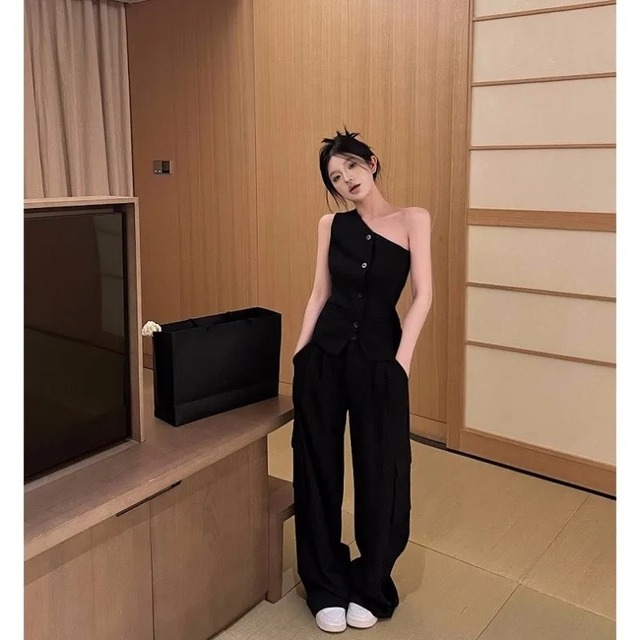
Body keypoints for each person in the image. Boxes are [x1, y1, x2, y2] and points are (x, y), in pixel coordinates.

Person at [291, 128, 433, 633]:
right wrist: (300, 353)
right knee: (316, 468)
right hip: (325, 358)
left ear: (371, 162)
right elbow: (319, 293)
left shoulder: (413, 219)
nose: (346, 179)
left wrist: (401, 363)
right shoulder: (331, 225)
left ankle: (371, 582)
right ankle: (325, 581)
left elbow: (423, 295)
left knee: (382, 470)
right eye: (335, 176)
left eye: (351, 166)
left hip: (380, 362)